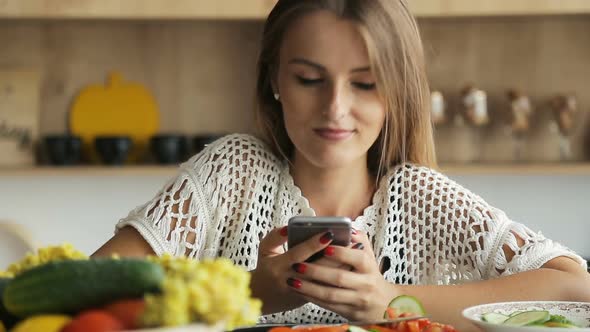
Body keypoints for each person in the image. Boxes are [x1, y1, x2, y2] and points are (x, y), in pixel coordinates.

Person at [92, 0, 590, 330]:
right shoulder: (230, 173)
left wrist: (387, 301)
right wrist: (250, 294)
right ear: (275, 81)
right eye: (310, 79)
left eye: (365, 84)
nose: (335, 108)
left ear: (397, 92)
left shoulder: (422, 198)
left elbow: (575, 289)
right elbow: (89, 291)